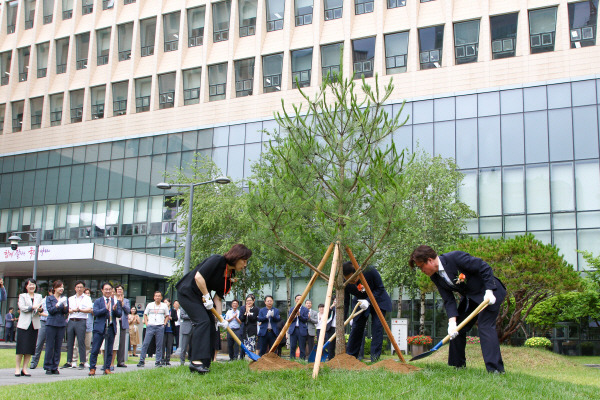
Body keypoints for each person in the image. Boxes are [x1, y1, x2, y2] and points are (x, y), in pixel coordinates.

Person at [410, 245, 507, 373]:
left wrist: (489, 290)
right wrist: (452, 323)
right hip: (471, 298)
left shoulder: (455, 258)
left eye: (421, 266)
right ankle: (458, 366)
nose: (421, 270)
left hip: (490, 294)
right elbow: (449, 300)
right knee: (457, 328)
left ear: (430, 260)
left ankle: (496, 370)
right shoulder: (435, 276)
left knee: (485, 326)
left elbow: (484, 267)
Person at [176, 244, 253, 374]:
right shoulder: (217, 260)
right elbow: (198, 277)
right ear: (237, 257)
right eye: (244, 261)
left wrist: (220, 319)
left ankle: (204, 362)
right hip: (187, 292)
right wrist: (206, 296)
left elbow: (217, 298)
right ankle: (195, 361)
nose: (245, 265)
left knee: (211, 324)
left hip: (201, 297)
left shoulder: (230, 276)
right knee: (203, 321)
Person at [343, 261, 392, 362]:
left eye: (353, 279)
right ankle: (350, 357)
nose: (351, 282)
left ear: (357, 272)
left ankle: (375, 359)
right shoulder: (344, 281)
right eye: (348, 280)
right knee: (356, 328)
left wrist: (368, 301)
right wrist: (342, 321)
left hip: (378, 300)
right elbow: (345, 301)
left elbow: (380, 288)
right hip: (360, 302)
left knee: (377, 328)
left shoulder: (369, 270)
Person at [88, 282, 123, 376]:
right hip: (99, 328)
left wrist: (115, 310)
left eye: (109, 289)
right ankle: (92, 368)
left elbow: (119, 314)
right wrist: (105, 309)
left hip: (111, 327)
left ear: (112, 291)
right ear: (102, 290)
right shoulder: (98, 301)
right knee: (95, 349)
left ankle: (107, 368)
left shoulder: (115, 301)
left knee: (109, 349)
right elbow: (95, 312)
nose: (108, 291)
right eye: (106, 289)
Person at [15, 278, 43, 377]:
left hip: (34, 324)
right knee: (21, 347)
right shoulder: (22, 296)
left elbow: (39, 309)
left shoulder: (39, 296)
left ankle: (25, 368)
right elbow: (22, 308)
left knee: (30, 348)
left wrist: (39, 309)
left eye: (33, 284)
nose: (32, 286)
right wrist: (33, 307)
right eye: (30, 284)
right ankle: (17, 368)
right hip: (23, 325)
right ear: (26, 286)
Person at [63, 280, 92, 370]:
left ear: (83, 288)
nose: (79, 289)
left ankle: (82, 361)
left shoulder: (87, 298)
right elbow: (66, 309)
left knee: (81, 342)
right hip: (71, 320)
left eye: (81, 287)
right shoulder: (71, 298)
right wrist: (71, 310)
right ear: (75, 288)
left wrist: (80, 310)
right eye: (77, 287)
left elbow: (90, 309)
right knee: (70, 342)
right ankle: (69, 361)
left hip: (81, 320)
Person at [137, 291, 169, 368]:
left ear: (161, 297)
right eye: (156, 296)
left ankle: (158, 361)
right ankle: (141, 360)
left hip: (159, 326)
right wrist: (147, 324)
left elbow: (167, 315)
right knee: (145, 343)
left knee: (159, 345)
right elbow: (145, 314)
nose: (157, 297)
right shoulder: (150, 305)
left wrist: (164, 324)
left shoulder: (164, 306)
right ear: (154, 297)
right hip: (151, 326)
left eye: (159, 296)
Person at [44, 280, 69, 375]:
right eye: (59, 287)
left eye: (62, 287)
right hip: (51, 324)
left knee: (58, 346)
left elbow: (65, 311)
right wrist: (58, 304)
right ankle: (48, 366)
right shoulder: (49, 298)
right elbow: (51, 310)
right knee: (50, 346)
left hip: (61, 324)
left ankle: (55, 366)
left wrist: (65, 305)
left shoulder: (64, 298)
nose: (61, 289)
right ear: (55, 288)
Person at [30, 287, 51, 369]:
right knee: (39, 344)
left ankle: (48, 364)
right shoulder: (43, 301)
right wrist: (49, 315)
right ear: (49, 292)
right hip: (43, 322)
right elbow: (38, 312)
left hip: (52, 323)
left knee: (50, 345)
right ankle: (33, 362)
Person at [288, 294, 309, 360]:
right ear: (295, 300)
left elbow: (305, 319)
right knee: (292, 346)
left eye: (300, 299)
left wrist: (299, 315)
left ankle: (302, 361)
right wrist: (294, 317)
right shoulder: (292, 309)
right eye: (297, 299)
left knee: (302, 346)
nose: (299, 300)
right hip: (293, 330)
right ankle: (292, 360)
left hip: (301, 330)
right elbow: (289, 320)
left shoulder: (305, 309)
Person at [115, 284, 131, 368]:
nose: (119, 291)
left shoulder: (126, 300)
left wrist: (122, 304)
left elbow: (128, 310)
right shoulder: (113, 299)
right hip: (114, 322)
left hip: (122, 323)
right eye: (117, 289)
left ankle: (120, 361)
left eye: (120, 289)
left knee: (121, 343)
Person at [162, 298, 177, 365]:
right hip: (164, 329)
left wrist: (171, 318)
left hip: (171, 329)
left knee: (169, 345)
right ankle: (162, 359)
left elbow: (176, 318)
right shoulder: (162, 310)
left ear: (169, 303)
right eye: (164, 302)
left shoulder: (173, 310)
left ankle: (167, 360)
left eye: (167, 302)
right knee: (163, 345)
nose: (165, 303)